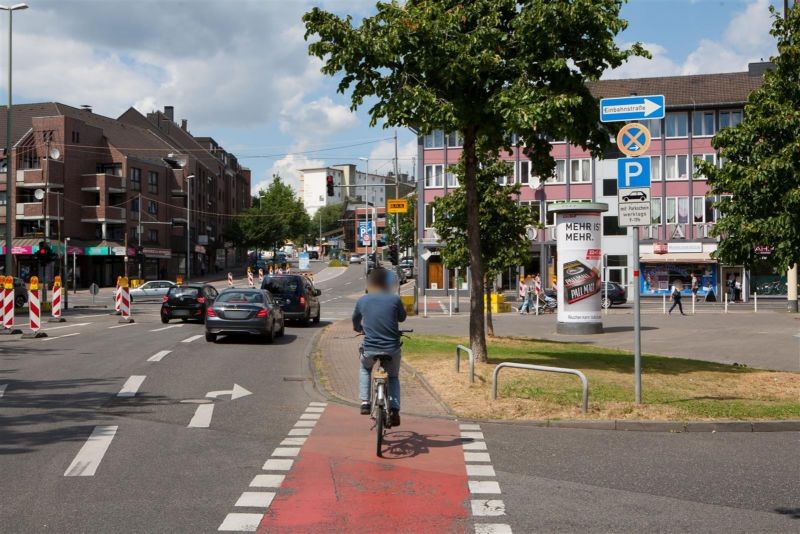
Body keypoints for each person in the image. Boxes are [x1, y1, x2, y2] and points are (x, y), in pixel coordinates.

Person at [352, 267, 407, 426]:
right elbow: (402, 318)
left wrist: (359, 328)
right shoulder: (395, 299)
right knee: (394, 376)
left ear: (371, 282)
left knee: (365, 368)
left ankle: (365, 403)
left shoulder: (363, 300)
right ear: (387, 282)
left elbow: (355, 320)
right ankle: (395, 409)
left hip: (370, 348)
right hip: (392, 349)